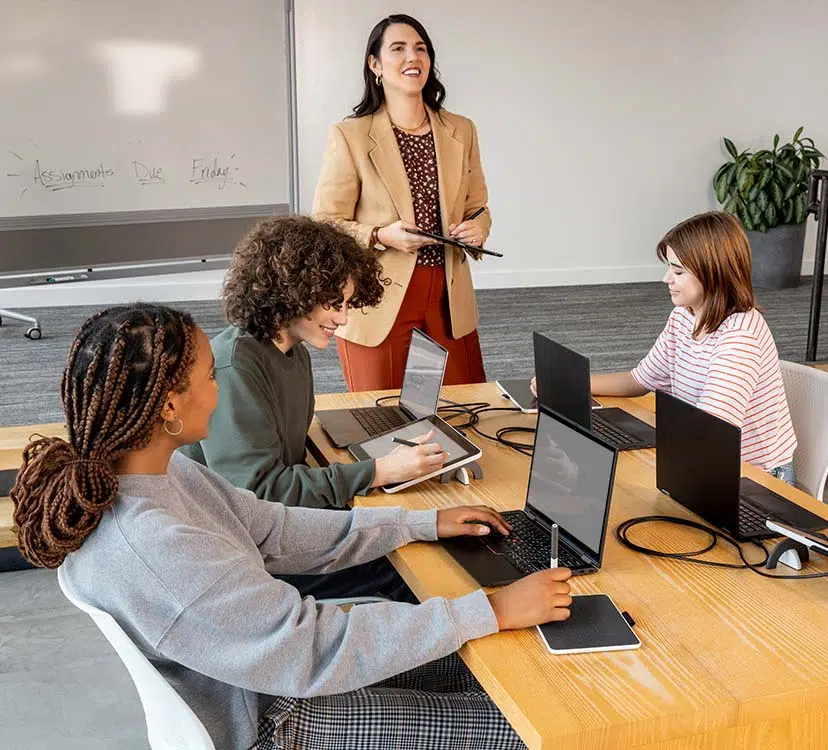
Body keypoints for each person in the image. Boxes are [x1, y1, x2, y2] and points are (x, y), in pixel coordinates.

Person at [11, 303, 572, 750]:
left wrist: (419, 524)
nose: (220, 389)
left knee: (497, 669)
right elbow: (311, 648)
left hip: (272, 671)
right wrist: (492, 609)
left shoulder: (164, 473)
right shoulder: (156, 544)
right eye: (210, 376)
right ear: (168, 407)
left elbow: (273, 529)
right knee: (527, 728)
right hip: (276, 715)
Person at [181, 215, 442, 601]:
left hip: (271, 529)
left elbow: (285, 462)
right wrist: (377, 470)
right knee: (412, 573)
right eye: (333, 304)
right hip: (245, 554)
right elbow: (261, 493)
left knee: (404, 535)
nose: (344, 318)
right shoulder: (235, 366)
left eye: (348, 303)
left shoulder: (291, 352)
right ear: (292, 292)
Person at [547, 211, 798, 480]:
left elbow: (711, 431)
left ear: (713, 273)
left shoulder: (740, 335)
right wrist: (564, 383)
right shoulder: (684, 315)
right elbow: (639, 381)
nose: (667, 279)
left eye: (678, 271)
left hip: (756, 478)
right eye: (669, 268)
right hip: (707, 459)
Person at [313, 13, 491, 391]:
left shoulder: (461, 129)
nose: (413, 57)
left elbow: (478, 207)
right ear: (375, 64)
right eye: (398, 49)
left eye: (421, 49)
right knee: (381, 418)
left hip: (447, 292)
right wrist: (379, 235)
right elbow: (326, 223)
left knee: (470, 407)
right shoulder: (351, 135)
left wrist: (479, 227)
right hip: (378, 294)